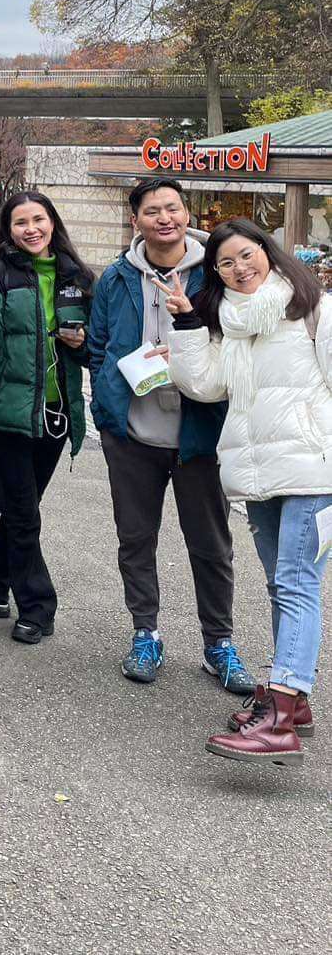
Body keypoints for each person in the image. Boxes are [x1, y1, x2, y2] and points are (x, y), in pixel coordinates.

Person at [165, 219, 332, 762]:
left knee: (296, 581)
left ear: (268, 251)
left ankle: (281, 716)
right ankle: (295, 700)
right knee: (281, 585)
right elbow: (203, 385)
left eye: (247, 254)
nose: (241, 269)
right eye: (226, 264)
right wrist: (188, 325)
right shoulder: (227, 324)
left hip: (314, 470)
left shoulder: (314, 311)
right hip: (256, 475)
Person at [88, 178, 256, 694]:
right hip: (134, 434)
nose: (165, 218)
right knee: (135, 539)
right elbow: (98, 347)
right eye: (153, 210)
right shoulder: (116, 277)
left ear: (187, 213)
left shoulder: (216, 272)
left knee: (210, 544)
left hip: (200, 434)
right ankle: (145, 632)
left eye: (173, 208)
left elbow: (243, 339)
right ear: (135, 219)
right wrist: (108, 406)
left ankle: (218, 644)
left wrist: (192, 338)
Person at [0, 192, 91, 645]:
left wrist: (82, 343)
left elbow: (95, 349)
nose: (31, 228)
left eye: (39, 219)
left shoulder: (77, 277)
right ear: (7, 229)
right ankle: (37, 606)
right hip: (9, 414)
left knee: (23, 510)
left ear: (52, 223)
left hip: (57, 415)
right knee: (23, 513)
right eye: (20, 222)